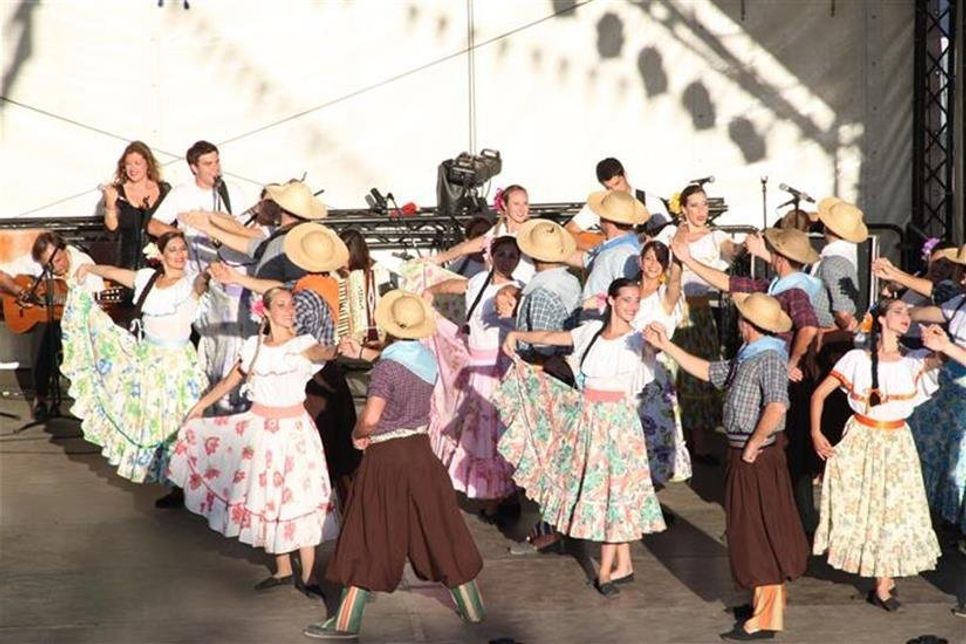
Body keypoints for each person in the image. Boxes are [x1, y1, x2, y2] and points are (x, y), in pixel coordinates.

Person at [305, 290, 484, 640]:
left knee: (369, 533)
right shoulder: (426, 358)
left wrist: (357, 434)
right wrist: (366, 354)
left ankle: (345, 621)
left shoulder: (387, 366)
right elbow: (397, 362)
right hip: (420, 452)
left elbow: (371, 417)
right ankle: (474, 608)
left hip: (387, 456)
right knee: (440, 528)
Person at [645, 293, 808, 640]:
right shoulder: (748, 356)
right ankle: (759, 603)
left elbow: (777, 405)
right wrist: (666, 345)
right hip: (746, 453)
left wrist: (753, 444)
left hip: (758, 455)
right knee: (747, 529)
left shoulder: (767, 359)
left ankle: (767, 617)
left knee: (761, 531)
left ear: (747, 324)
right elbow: (708, 371)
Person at [498, 278, 667, 597]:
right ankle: (624, 564)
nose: (633, 306)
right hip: (588, 418)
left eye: (636, 301)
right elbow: (551, 337)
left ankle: (605, 572)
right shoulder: (590, 332)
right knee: (602, 489)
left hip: (618, 423)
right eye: (627, 300)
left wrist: (659, 337)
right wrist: (517, 333)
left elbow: (658, 344)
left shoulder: (636, 339)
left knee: (613, 493)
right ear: (612, 301)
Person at [166, 287, 340, 596]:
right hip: (262, 430)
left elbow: (323, 353)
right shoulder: (254, 346)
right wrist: (201, 406)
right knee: (269, 495)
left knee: (300, 496)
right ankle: (284, 569)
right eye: (282, 305)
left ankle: (310, 575)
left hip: (295, 432)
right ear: (267, 312)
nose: (289, 310)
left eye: (291, 305)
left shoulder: (302, 344)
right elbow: (231, 380)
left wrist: (340, 349)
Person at [676, 227, 821, 528]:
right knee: (778, 450)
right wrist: (688, 261)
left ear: (779, 257)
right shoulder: (776, 286)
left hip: (784, 377)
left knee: (787, 452)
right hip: (772, 372)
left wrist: (790, 360)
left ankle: (795, 524)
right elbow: (731, 284)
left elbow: (808, 327)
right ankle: (778, 519)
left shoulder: (795, 291)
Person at [207, 222, 360, 505]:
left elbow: (288, 340)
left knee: (315, 458)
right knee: (341, 458)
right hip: (333, 376)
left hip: (308, 380)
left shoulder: (302, 297)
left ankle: (311, 519)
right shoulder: (333, 286)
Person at [811, 298, 942, 612]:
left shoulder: (914, 361)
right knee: (865, 506)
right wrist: (816, 432)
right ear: (880, 320)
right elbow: (819, 394)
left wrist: (940, 340)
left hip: (896, 440)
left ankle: (883, 583)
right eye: (897, 311)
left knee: (893, 508)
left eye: (906, 312)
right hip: (862, 438)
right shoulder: (857, 359)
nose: (904, 316)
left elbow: (947, 358)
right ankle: (876, 572)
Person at [61, 231, 207, 483]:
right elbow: (113, 272)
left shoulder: (190, 283)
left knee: (180, 421)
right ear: (160, 255)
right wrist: (89, 267)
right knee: (153, 417)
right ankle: (169, 479)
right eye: (173, 250)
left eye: (183, 249)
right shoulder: (147, 279)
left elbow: (203, 280)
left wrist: (212, 271)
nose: (180, 255)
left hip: (179, 364)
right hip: (148, 359)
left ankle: (186, 480)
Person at [149, 141, 255, 413]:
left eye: (217, 162)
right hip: (197, 277)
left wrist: (223, 228)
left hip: (230, 276)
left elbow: (246, 231)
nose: (215, 168)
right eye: (208, 164)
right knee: (206, 338)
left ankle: (230, 400)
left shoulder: (233, 192)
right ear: (194, 167)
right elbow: (153, 224)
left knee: (232, 338)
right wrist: (181, 237)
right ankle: (202, 398)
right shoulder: (182, 194)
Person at [423, 236, 522, 518]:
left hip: (496, 368)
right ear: (491, 256)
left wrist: (509, 296)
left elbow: (510, 293)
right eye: (501, 254)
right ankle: (487, 491)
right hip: (475, 364)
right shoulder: (479, 281)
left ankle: (497, 494)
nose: (506, 259)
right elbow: (458, 285)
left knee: (492, 431)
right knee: (476, 429)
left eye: (512, 255)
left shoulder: (515, 288)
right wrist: (430, 291)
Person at [655, 184, 739, 464]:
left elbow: (731, 251)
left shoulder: (716, 236)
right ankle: (678, 439)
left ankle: (700, 442)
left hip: (698, 312)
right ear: (684, 208)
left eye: (704, 205)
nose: (702, 211)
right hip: (671, 307)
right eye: (695, 205)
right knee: (672, 371)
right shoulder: (669, 233)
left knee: (698, 370)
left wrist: (741, 248)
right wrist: (680, 229)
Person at [0, 231, 104, 419]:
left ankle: (92, 400)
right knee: (44, 333)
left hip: (81, 321)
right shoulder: (35, 261)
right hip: (51, 322)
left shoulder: (83, 263)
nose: (53, 267)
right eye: (46, 264)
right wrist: (19, 291)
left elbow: (99, 301)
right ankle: (40, 398)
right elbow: (2, 274)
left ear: (64, 250)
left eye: (57, 261)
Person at [632, 240, 691, 485]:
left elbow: (674, 284)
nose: (653, 264)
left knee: (655, 427)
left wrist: (678, 258)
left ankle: (654, 486)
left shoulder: (665, 296)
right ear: (640, 261)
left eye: (659, 260)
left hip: (655, 367)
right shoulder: (630, 290)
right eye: (648, 258)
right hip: (628, 365)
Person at [427, 184, 534, 284]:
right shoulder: (498, 229)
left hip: (521, 289)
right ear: (504, 205)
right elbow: (467, 247)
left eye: (525, 203)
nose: (522, 209)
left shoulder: (532, 231)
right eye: (516, 204)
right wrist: (435, 259)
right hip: (496, 290)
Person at [563, 190, 649, 311]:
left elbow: (628, 299)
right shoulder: (615, 248)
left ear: (605, 219)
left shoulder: (624, 254)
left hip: (601, 323)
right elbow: (582, 259)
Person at [565, 157, 670, 249]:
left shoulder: (651, 202)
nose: (615, 190)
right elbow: (568, 231)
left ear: (624, 175)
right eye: (608, 188)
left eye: (617, 183)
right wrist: (596, 248)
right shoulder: (600, 203)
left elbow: (668, 233)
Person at [101, 141, 171, 269]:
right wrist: (110, 205)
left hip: (161, 263)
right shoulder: (118, 192)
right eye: (128, 164)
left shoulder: (164, 190)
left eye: (137, 163)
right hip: (129, 264)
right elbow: (111, 232)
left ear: (148, 165)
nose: (132, 169)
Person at [337, 228, 396, 344]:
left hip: (375, 340)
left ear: (356, 255)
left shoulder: (380, 272)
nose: (342, 263)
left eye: (346, 258)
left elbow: (389, 304)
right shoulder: (336, 274)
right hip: (346, 339)